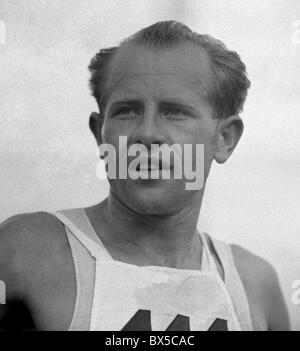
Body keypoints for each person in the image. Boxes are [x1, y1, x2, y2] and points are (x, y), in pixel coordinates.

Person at [0, 21, 290, 331]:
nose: (148, 133)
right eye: (127, 110)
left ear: (224, 139)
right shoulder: (25, 254)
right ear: (100, 133)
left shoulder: (254, 288)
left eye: (175, 111)